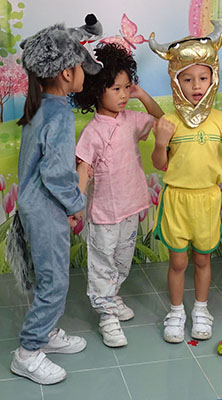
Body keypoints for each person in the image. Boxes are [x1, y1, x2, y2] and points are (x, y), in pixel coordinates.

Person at [9, 16, 103, 385]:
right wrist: (76, 204)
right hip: (46, 209)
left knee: (50, 276)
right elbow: (57, 174)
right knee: (54, 282)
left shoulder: (42, 107)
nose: (83, 74)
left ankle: (46, 334)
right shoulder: (59, 114)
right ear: (66, 73)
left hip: (35, 206)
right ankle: (28, 352)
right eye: (80, 66)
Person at [70, 43, 164, 347]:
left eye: (126, 87)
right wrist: (76, 205)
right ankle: (106, 315)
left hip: (131, 206)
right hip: (104, 213)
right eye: (116, 89)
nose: (123, 95)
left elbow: (162, 120)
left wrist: (142, 95)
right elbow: (83, 169)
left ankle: (112, 297)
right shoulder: (93, 132)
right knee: (102, 264)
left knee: (122, 261)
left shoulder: (132, 120)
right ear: (97, 91)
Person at [149, 21, 222, 343]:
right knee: (178, 261)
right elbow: (160, 164)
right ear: (176, 81)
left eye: (202, 77)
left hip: (208, 199)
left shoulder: (221, 120)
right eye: (187, 79)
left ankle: (200, 309)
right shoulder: (169, 121)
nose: (196, 85)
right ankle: (175, 311)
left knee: (202, 258)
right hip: (177, 200)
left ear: (213, 78)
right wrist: (160, 142)